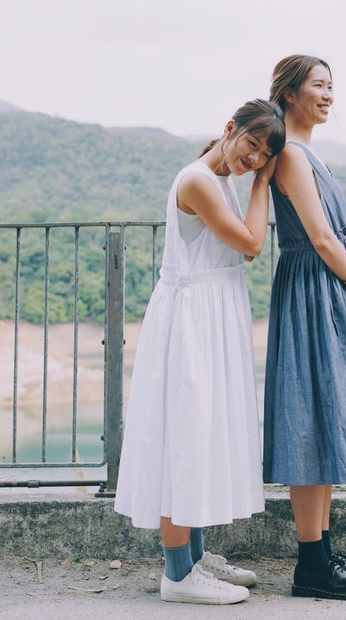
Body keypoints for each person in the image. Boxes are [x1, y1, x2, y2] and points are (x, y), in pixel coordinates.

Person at [114, 99, 285, 605]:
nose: (254, 158)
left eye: (264, 154)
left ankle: (193, 557)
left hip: (211, 315)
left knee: (202, 432)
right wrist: (263, 182)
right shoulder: (197, 180)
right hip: (191, 322)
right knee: (184, 436)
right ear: (229, 130)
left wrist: (249, 177)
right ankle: (177, 576)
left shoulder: (221, 178)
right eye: (251, 145)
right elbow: (252, 244)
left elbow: (237, 252)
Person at [263, 55, 346, 601]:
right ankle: (311, 563)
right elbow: (322, 239)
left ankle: (319, 554)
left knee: (322, 421)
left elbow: (344, 233)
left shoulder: (309, 155)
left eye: (331, 87)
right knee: (309, 421)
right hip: (315, 291)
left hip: (329, 287)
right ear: (291, 94)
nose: (328, 96)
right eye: (319, 86)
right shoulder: (291, 156)